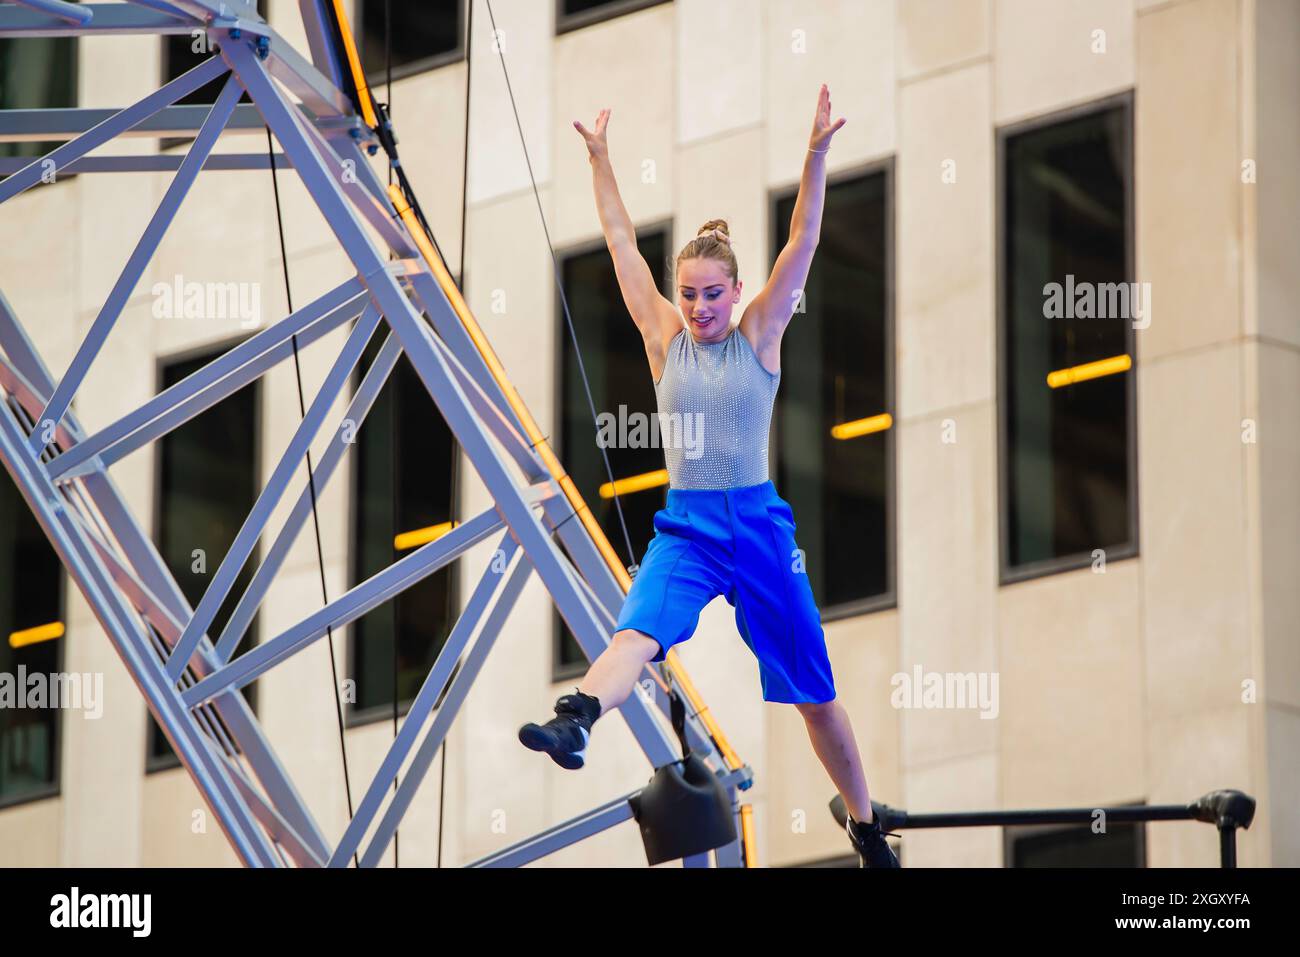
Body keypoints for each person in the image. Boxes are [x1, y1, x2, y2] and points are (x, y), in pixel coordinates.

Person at [519, 86, 897, 868]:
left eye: (711, 293)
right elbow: (622, 242)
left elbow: (805, 238)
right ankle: (579, 714)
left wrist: (817, 149)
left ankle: (863, 823)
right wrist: (600, 160)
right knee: (635, 633)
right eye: (687, 293)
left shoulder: (761, 332)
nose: (697, 307)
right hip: (687, 528)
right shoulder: (665, 339)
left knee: (814, 693)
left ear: (736, 290)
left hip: (758, 526)